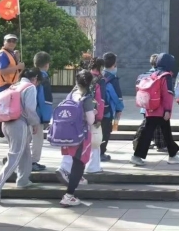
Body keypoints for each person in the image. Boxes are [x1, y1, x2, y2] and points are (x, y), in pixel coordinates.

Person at [0, 68, 42, 203]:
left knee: (24, 153)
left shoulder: (14, 86)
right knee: (15, 156)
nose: (37, 84)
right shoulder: (30, 87)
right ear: (35, 78)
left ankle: (23, 180)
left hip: (6, 123)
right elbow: (30, 109)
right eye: (38, 81)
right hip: (19, 124)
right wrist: (35, 123)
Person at [130, 54, 179, 166]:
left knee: (164, 133)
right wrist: (167, 110)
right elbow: (167, 95)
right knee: (150, 134)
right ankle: (137, 156)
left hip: (150, 108)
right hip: (161, 110)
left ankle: (173, 155)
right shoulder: (166, 76)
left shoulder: (151, 74)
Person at [54, 70, 96, 207]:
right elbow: (91, 120)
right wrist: (94, 112)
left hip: (67, 133)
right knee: (79, 163)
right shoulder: (86, 98)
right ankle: (68, 196)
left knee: (75, 162)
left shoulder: (71, 94)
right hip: (80, 135)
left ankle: (73, 182)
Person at [0, 34, 25, 143]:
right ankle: (2, 135)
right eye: (9, 41)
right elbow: (2, 70)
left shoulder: (11, 53)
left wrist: (17, 60)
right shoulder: (2, 54)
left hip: (11, 85)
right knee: (4, 111)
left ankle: (4, 134)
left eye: (14, 41)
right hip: (4, 85)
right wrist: (18, 66)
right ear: (4, 42)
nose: (12, 43)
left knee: (8, 110)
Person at [31, 52, 53, 172]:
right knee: (37, 139)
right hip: (37, 114)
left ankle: (20, 159)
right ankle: (33, 161)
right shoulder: (43, 78)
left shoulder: (29, 75)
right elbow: (45, 100)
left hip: (25, 112)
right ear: (46, 64)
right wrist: (46, 118)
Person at [100, 52, 124, 162]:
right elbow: (117, 97)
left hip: (97, 109)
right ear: (114, 64)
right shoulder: (113, 79)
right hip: (107, 110)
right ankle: (101, 153)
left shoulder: (100, 75)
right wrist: (119, 109)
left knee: (97, 131)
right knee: (105, 132)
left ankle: (96, 152)